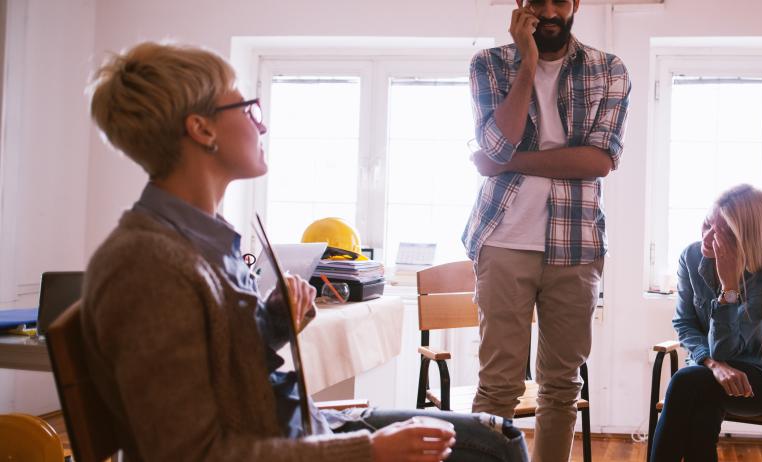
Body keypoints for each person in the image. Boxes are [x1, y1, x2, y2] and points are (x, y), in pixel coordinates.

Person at [82, 41, 527, 462]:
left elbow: (227, 368)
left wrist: (274, 322)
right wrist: (368, 452)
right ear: (201, 129)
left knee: (500, 436)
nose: (263, 122)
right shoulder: (145, 265)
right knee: (497, 448)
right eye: (247, 107)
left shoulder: (205, 237)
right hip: (289, 440)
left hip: (299, 426)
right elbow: (190, 454)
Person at [461, 0, 630, 460]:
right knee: (497, 387)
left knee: (561, 388)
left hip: (577, 245)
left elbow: (599, 161)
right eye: (537, 0)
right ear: (520, 4)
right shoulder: (489, 64)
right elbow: (496, 140)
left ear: (575, 3)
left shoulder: (608, 68)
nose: (549, 10)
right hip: (502, 240)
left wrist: (508, 164)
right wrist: (528, 62)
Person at [649, 185, 762, 462]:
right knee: (700, 403)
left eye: (721, 232)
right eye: (707, 223)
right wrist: (712, 365)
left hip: (759, 382)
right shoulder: (691, 257)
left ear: (744, 239)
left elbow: (726, 351)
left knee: (687, 382)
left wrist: (729, 288)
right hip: (707, 374)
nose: (707, 236)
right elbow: (684, 323)